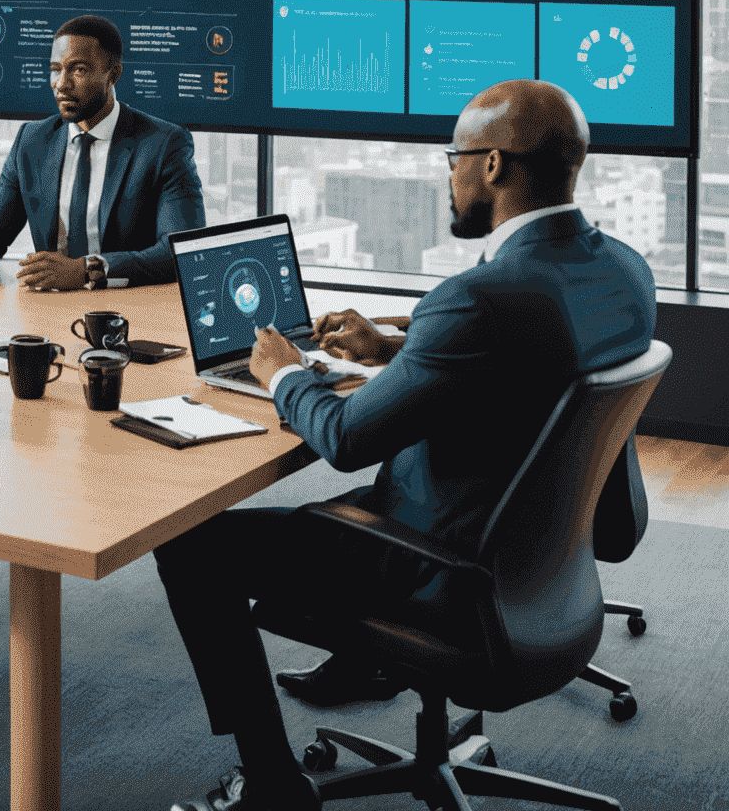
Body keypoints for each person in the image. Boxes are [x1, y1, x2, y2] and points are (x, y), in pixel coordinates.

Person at [154, 79, 656, 811]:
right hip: (543, 553)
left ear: (491, 165)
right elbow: (532, 360)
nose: (445, 174)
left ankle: (270, 783)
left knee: (193, 543)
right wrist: (400, 348)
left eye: (452, 157)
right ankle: (371, 666)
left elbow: (347, 438)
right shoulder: (625, 269)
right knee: (330, 508)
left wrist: (284, 373)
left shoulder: (479, 297)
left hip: (443, 561)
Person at [0, 15, 205, 290]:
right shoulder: (32, 140)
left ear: (113, 75)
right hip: (47, 306)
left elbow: (180, 250)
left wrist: (88, 270)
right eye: (55, 68)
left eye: (78, 70)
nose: (61, 84)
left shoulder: (164, 144)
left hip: (129, 307)